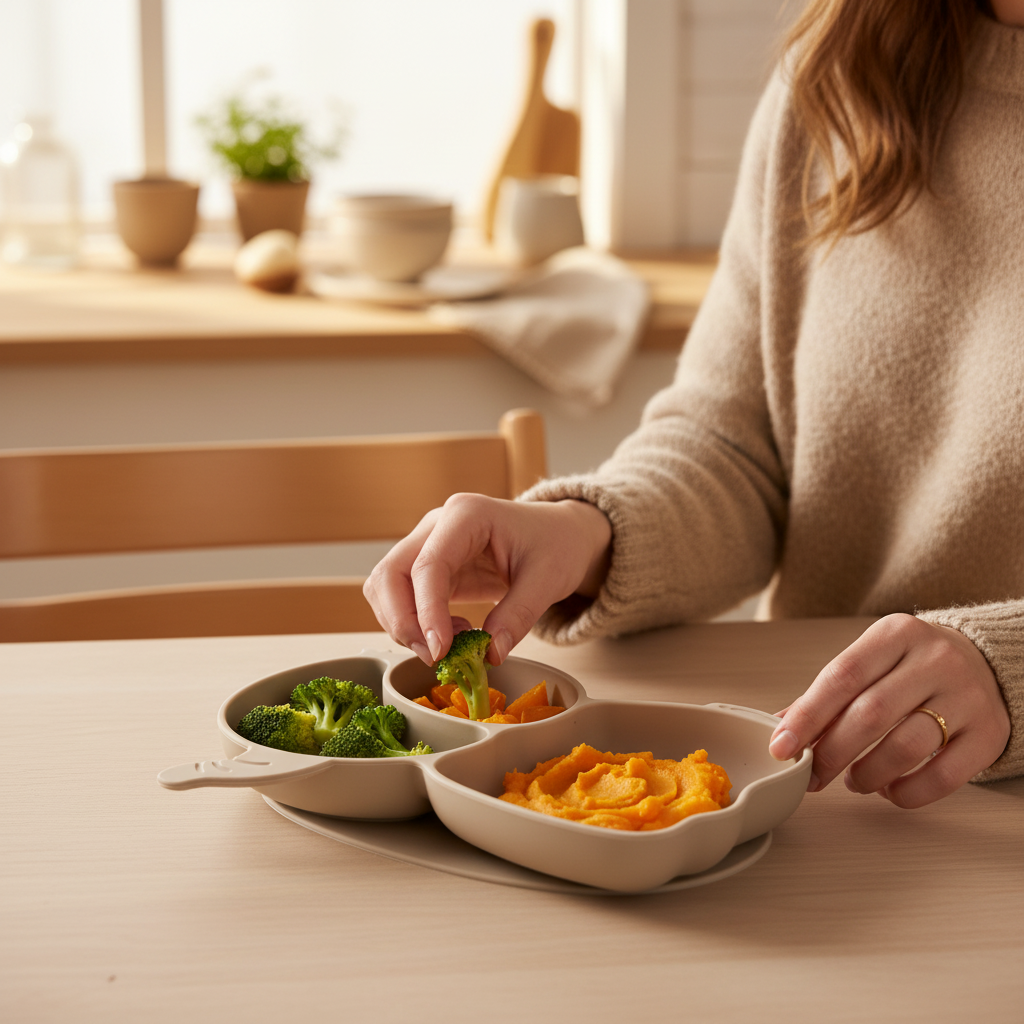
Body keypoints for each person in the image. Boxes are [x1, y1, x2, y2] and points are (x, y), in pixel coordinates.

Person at [365, 0, 1023, 807]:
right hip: (842, 799)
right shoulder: (843, 75)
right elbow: (738, 446)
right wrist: (590, 531)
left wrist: (1007, 665)